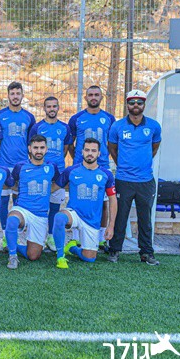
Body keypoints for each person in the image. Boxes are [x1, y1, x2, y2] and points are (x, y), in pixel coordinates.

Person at [107, 90, 162, 265]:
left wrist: (142, 164)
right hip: (123, 180)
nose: (135, 105)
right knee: (120, 217)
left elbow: (154, 147)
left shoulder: (154, 126)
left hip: (145, 181)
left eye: (139, 102)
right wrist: (124, 165)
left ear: (144, 105)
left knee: (145, 218)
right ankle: (114, 250)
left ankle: (146, 253)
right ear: (127, 105)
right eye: (132, 102)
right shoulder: (117, 126)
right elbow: (112, 148)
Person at [53, 138, 117, 268]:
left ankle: (72, 248)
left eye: (93, 151)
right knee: (59, 218)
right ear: (82, 151)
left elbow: (113, 199)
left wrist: (111, 226)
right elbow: (54, 188)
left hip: (92, 220)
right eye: (87, 150)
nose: (90, 153)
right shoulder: (71, 171)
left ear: (99, 153)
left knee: (89, 258)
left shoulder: (106, 175)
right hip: (74, 214)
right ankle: (60, 257)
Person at [68, 85, 116, 246]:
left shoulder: (109, 118)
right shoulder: (76, 119)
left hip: (102, 166)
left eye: (96, 94)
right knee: (77, 200)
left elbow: (112, 143)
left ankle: (101, 237)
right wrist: (78, 158)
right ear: (86, 97)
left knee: (102, 202)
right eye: (90, 95)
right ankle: (76, 237)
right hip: (80, 166)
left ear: (101, 97)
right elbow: (70, 144)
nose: (93, 97)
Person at [4, 135, 59, 269]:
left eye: (41, 147)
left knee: (33, 256)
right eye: (35, 148)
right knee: (12, 220)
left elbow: (58, 183)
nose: (38, 151)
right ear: (29, 148)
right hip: (22, 209)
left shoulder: (51, 167)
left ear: (46, 149)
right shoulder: (20, 166)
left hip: (40, 214)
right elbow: (13, 183)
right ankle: (12, 256)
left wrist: (47, 191)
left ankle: (14, 245)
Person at [0, 82, 36, 242]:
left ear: (22, 95)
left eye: (18, 93)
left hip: (22, 166)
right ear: (8, 95)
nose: (15, 96)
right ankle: (6, 235)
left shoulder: (29, 117)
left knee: (20, 201)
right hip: (3, 165)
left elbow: (32, 143)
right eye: (12, 93)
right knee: (3, 201)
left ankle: (18, 235)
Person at [29, 96, 72, 250]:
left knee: (55, 205)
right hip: (40, 172)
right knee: (39, 204)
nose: (52, 109)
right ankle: (37, 236)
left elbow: (65, 149)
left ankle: (51, 236)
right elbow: (32, 148)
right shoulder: (37, 127)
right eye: (49, 106)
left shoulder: (65, 127)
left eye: (54, 106)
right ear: (44, 108)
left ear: (58, 108)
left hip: (58, 172)